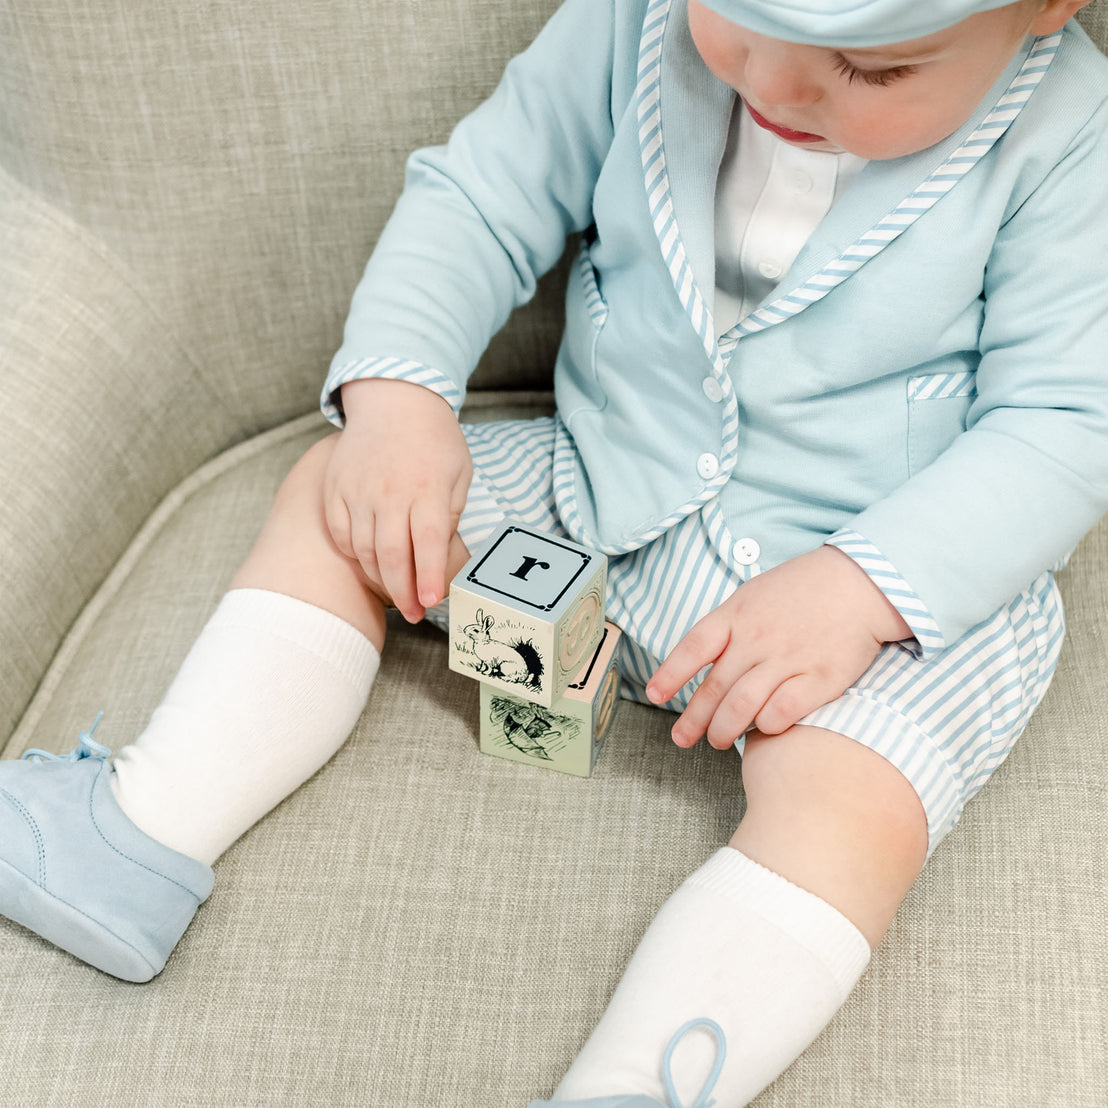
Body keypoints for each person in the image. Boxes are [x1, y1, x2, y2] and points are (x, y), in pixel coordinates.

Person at [1, 0, 1105, 1103]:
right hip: (599, 482)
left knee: (854, 802)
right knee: (333, 495)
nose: (777, 83)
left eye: (873, 69)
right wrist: (399, 401)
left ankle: (633, 1086)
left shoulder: (1070, 139)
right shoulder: (631, 21)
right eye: (739, 20)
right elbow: (484, 196)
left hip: (864, 577)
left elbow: (1064, 419)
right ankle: (139, 828)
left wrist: (862, 588)